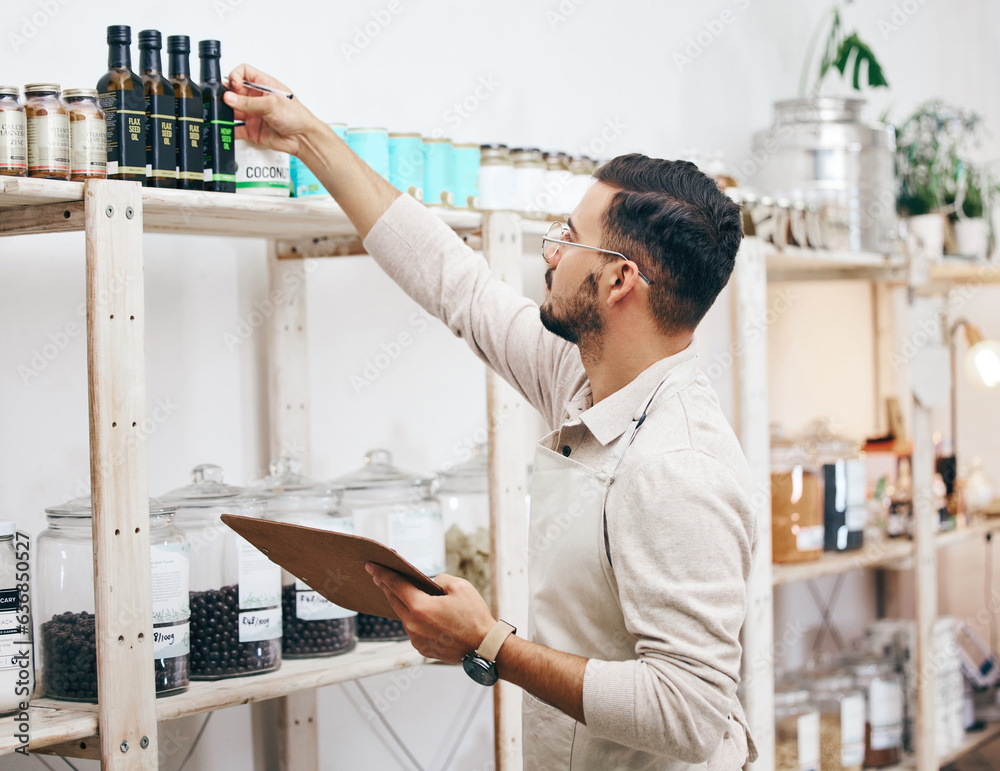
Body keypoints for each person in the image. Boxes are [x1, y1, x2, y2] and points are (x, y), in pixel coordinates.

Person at [223, 65, 758, 771]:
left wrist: (488, 642)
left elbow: (689, 712)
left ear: (620, 279)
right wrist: (311, 139)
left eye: (570, 238)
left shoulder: (678, 466)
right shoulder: (584, 377)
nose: (551, 252)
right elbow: (457, 284)